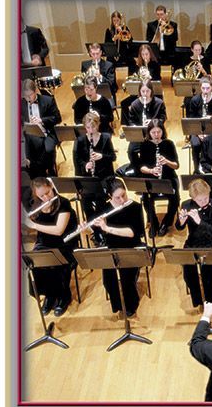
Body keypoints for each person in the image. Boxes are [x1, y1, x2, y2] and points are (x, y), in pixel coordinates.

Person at [22, 177, 79, 317]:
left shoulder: (63, 203)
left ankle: (63, 296)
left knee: (56, 264)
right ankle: (50, 296)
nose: (46, 197)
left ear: (52, 187)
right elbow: (36, 230)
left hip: (64, 243)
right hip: (44, 242)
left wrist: (33, 225)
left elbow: (59, 230)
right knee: (37, 264)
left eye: (48, 192)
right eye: (42, 195)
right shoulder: (36, 204)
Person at [91, 178, 146, 318]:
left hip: (131, 247)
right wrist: (86, 229)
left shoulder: (134, 207)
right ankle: (118, 305)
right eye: (117, 197)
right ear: (110, 196)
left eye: (124, 195)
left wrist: (107, 228)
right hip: (111, 247)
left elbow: (133, 233)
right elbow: (96, 232)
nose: (122, 200)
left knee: (127, 279)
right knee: (108, 281)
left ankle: (131, 305)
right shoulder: (103, 209)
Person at [175, 178, 212, 308]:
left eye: (206, 198)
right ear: (193, 198)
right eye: (199, 200)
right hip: (193, 242)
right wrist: (181, 221)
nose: (203, 202)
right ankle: (197, 300)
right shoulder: (186, 205)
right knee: (188, 273)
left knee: (208, 274)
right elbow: (179, 227)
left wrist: (199, 222)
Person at [137, 119, 180, 236]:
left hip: (168, 178)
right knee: (146, 199)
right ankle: (154, 222)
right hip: (151, 178)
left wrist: (166, 161)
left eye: (159, 132)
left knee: (175, 199)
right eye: (153, 132)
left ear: (163, 131)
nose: (156, 135)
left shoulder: (169, 144)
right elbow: (141, 167)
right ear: (149, 132)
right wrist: (151, 170)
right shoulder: (144, 145)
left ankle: (166, 222)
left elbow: (176, 165)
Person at [21, 78, 61, 177]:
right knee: (27, 154)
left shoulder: (48, 100)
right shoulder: (21, 104)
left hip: (47, 133)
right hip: (30, 136)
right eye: (25, 96)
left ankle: (50, 170)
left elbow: (57, 118)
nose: (28, 98)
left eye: (30, 95)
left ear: (35, 91)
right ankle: (36, 174)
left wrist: (41, 120)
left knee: (48, 149)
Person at [186, 76, 212, 170]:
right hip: (198, 131)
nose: (205, 91)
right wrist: (199, 134)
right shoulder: (195, 100)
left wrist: (211, 118)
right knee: (195, 144)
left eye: (208, 88)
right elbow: (192, 120)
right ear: (200, 87)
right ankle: (196, 169)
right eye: (203, 88)